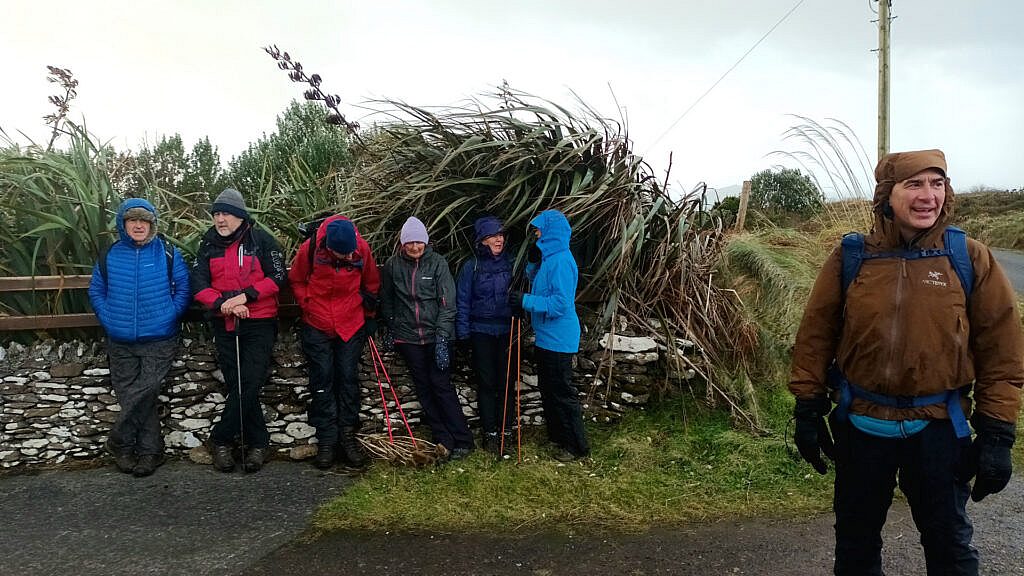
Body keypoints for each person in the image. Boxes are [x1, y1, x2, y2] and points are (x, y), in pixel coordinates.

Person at [789, 149, 1022, 575]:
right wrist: (807, 407)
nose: (928, 196)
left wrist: (997, 434)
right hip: (860, 425)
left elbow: (1001, 352)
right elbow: (815, 336)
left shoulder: (968, 258)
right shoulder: (852, 257)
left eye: (937, 184)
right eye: (914, 184)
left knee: (949, 548)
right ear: (886, 195)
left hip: (938, 428)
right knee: (856, 547)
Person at [89, 198, 191, 477]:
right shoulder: (109, 255)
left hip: (159, 337)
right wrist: (108, 317)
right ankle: (146, 452)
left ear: (152, 224)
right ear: (123, 224)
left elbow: (183, 288)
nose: (138, 225)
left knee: (147, 390)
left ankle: (119, 440)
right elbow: (96, 290)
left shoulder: (168, 253)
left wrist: (170, 314)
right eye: (132, 220)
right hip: (120, 339)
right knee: (130, 395)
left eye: (143, 220)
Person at [192, 188, 287, 473]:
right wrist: (224, 304)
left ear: (240, 216)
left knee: (250, 382)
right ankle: (258, 443)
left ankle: (220, 439)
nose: (220, 220)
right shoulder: (208, 244)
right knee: (238, 385)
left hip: (259, 322)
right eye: (216, 214)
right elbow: (198, 284)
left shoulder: (261, 240)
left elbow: (279, 276)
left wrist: (246, 296)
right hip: (226, 323)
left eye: (226, 214)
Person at [289, 215, 379, 469]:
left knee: (348, 378)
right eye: (343, 255)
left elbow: (371, 283)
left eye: (351, 253)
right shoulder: (309, 249)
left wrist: (369, 315)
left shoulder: (361, 248)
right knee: (322, 379)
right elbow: (296, 279)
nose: (349, 258)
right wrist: (306, 303)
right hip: (316, 322)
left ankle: (347, 438)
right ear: (329, 248)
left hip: (351, 322)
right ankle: (327, 441)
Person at [380, 216, 474, 460]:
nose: (414, 247)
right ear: (402, 243)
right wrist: (392, 326)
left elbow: (448, 303)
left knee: (441, 386)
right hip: (409, 338)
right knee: (423, 387)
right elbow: (388, 299)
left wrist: (443, 338)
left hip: (436, 336)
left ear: (425, 242)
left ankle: (463, 439)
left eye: (418, 242)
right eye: (409, 242)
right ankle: (443, 438)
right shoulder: (393, 265)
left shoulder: (438, 263)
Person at [509, 209, 589, 462]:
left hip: (559, 338)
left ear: (551, 231)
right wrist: (533, 262)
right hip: (547, 336)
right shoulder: (550, 258)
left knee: (562, 392)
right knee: (549, 389)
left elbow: (559, 305)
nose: (536, 232)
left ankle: (576, 445)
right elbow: (538, 283)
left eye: (539, 228)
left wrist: (525, 301)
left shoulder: (562, 261)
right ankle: (559, 437)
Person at [455, 216, 515, 455]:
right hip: (480, 331)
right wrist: (463, 333)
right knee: (487, 383)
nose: (499, 239)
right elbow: (462, 300)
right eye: (493, 235)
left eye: (500, 234)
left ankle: (506, 430)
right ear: (482, 240)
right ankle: (490, 432)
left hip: (507, 330)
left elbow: (524, 287)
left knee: (507, 383)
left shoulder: (512, 263)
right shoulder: (472, 267)